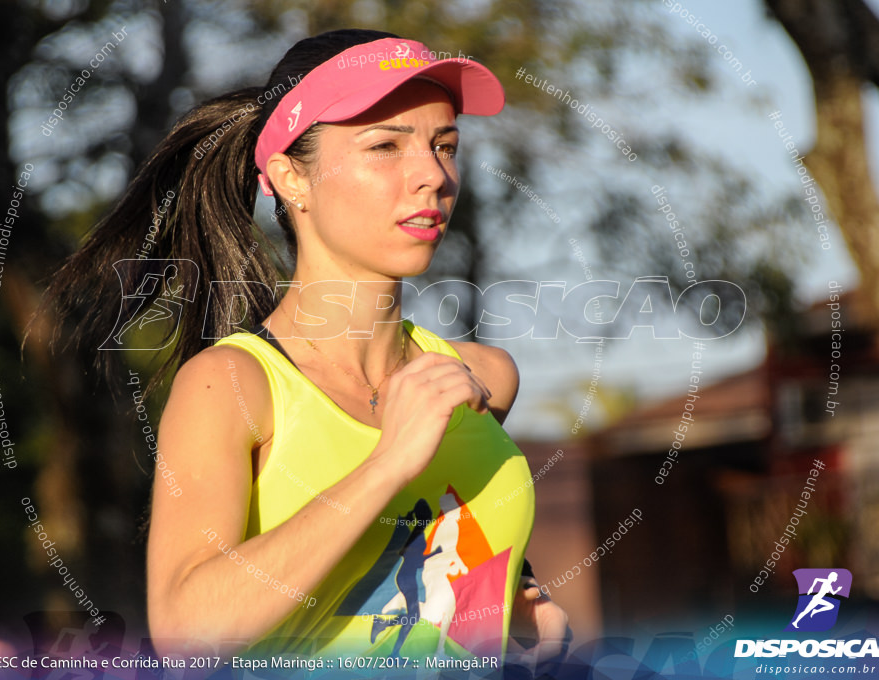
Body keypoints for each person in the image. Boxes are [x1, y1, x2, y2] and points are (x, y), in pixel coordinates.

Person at [41, 28, 569, 668]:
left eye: (444, 146)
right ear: (290, 178)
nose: (434, 175)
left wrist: (525, 611)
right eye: (384, 146)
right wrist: (387, 462)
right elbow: (185, 633)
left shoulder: (483, 376)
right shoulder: (232, 385)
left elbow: (432, 569)